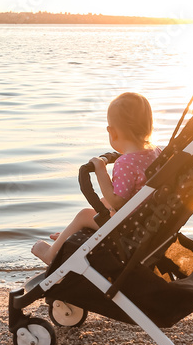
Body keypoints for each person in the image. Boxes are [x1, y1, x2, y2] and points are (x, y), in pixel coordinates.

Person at [31, 92, 161, 267]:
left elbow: (118, 202)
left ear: (112, 132)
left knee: (85, 214)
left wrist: (101, 170)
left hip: (129, 228)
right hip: (148, 220)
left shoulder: (125, 162)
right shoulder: (155, 152)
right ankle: (66, 236)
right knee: (103, 202)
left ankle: (50, 254)